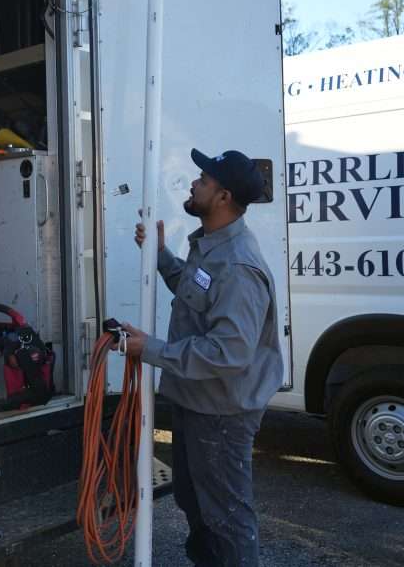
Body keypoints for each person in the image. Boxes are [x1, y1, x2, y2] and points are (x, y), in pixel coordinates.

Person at [120, 148, 283, 566]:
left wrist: (150, 350)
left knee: (226, 516)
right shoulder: (212, 247)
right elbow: (196, 295)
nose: (194, 184)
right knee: (196, 504)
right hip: (197, 403)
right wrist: (160, 257)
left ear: (223, 196)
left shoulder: (238, 265)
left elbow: (227, 352)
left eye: (203, 180)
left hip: (222, 414)